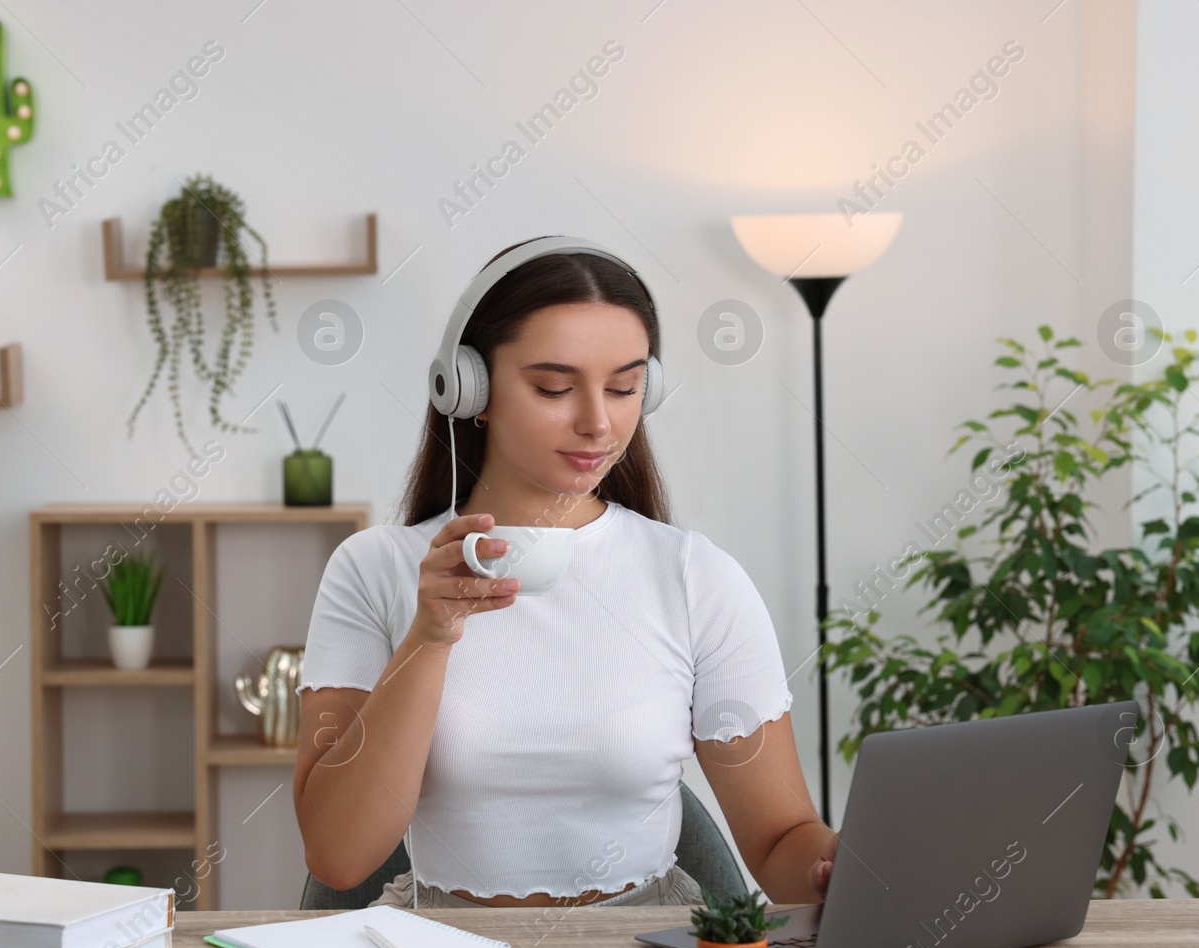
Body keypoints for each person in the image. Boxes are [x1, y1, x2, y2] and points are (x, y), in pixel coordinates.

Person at [291, 237, 837, 909]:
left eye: (625, 387)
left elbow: (783, 843)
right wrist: (429, 637)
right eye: (554, 387)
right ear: (472, 389)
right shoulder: (374, 569)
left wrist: (836, 863)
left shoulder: (695, 577)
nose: (598, 422)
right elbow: (338, 856)